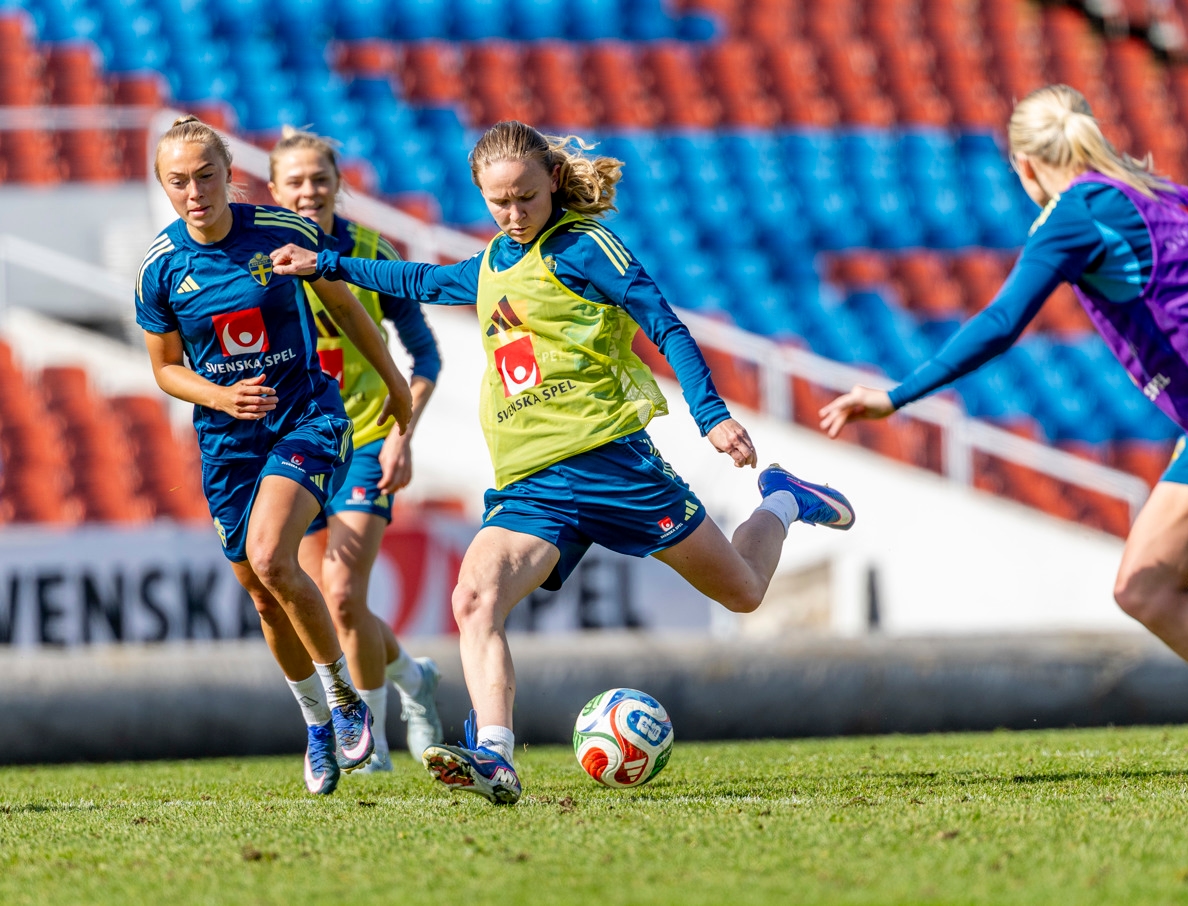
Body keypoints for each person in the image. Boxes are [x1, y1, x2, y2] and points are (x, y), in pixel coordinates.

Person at [272, 120, 856, 805]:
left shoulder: (583, 246)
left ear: (552, 178)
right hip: (529, 485)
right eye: (499, 203)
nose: (513, 214)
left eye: (524, 197)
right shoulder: (492, 263)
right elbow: (423, 278)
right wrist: (329, 264)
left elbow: (663, 323)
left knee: (744, 591)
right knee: (474, 598)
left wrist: (713, 417)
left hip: (612, 464)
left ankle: (783, 497)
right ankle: (495, 756)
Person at [821, 84, 1188, 817]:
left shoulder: (1070, 214)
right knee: (1143, 583)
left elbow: (1005, 319)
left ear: (1024, 165)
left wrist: (896, 395)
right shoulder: (1168, 192)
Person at [137, 116, 414, 795]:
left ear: (231, 174)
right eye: (179, 181)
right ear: (164, 187)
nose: (196, 191)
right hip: (227, 442)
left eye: (207, 176)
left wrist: (394, 380)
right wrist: (220, 398)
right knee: (263, 597)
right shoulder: (160, 268)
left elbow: (347, 310)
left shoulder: (283, 232)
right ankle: (318, 725)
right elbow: (165, 369)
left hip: (307, 417)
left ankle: (347, 700)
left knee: (271, 556)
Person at [268, 127, 445, 773]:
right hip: (296, 445)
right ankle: (413, 678)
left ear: (339, 184)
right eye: (296, 182)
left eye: (320, 179)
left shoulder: (371, 250)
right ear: (275, 191)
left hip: (366, 438)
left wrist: (404, 433)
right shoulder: (257, 254)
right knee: (327, 600)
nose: (309, 190)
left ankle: (368, 747)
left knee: (342, 596)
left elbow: (425, 353)